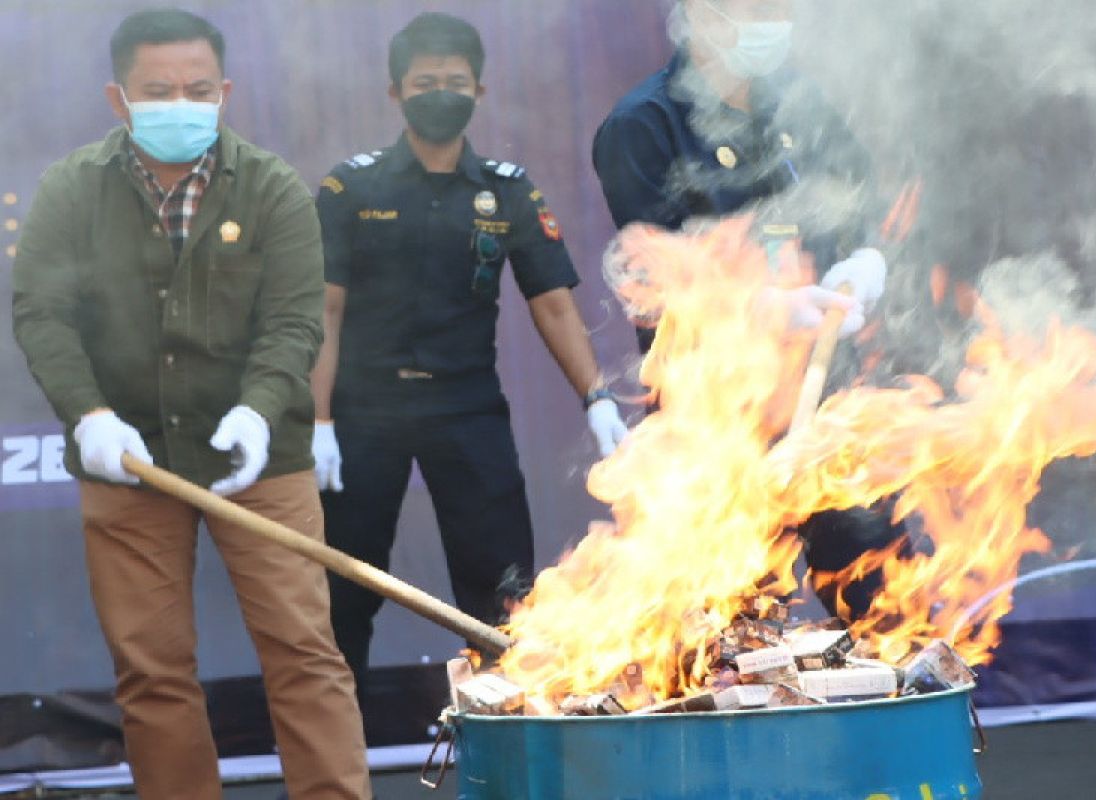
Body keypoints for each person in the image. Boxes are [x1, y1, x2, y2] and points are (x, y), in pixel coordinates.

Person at [10, 10, 370, 799]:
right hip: (129, 461)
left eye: (198, 89)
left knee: (305, 653)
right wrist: (88, 415)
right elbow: (39, 312)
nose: (182, 102)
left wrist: (256, 409)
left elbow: (295, 321)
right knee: (151, 670)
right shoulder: (72, 188)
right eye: (159, 89)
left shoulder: (272, 188)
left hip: (262, 462)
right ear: (119, 99)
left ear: (225, 92)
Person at [311, 12, 628, 705]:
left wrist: (597, 397)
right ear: (396, 92)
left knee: (504, 596)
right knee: (340, 598)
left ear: (479, 91)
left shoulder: (508, 190)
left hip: (466, 408)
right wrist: (320, 421)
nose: (440, 92)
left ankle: (511, 739)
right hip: (363, 415)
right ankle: (334, 764)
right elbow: (324, 310)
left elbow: (551, 303)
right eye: (425, 82)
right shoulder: (350, 189)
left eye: (455, 81)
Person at [593, 0, 900, 620]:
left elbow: (858, 190)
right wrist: (762, 307)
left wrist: (867, 255)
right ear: (702, 16)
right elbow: (652, 268)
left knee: (883, 595)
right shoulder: (643, 123)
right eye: (755, 8)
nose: (774, 21)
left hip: (821, 398)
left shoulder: (797, 101)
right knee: (739, 619)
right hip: (715, 410)